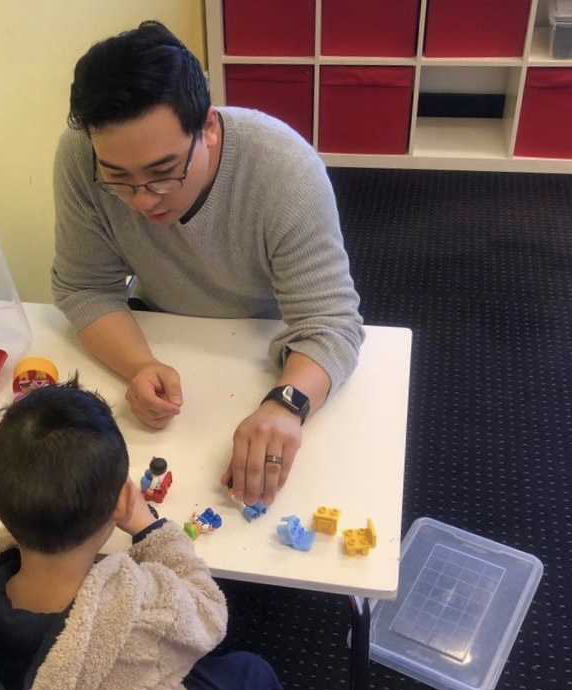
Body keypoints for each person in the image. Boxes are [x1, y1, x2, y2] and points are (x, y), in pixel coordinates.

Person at [51, 20, 364, 509]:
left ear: (210, 128)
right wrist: (140, 365)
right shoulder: (81, 156)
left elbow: (331, 323)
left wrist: (287, 403)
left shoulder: (285, 170)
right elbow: (83, 286)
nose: (142, 201)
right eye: (118, 179)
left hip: (265, 346)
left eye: (163, 173)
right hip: (165, 332)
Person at [0, 376, 282, 690]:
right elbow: (209, 612)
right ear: (123, 501)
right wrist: (149, 528)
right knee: (253, 676)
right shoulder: (139, 608)